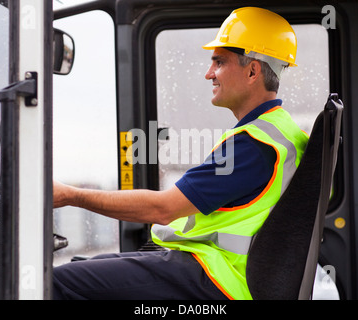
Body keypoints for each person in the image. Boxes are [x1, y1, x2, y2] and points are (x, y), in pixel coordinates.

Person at [52, 7, 309, 300]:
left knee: (56, 283)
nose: (208, 73)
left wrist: (69, 196)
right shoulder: (283, 133)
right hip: (219, 272)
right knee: (81, 267)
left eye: (220, 62)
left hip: (217, 279)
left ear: (253, 71)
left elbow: (163, 209)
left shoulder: (255, 144)